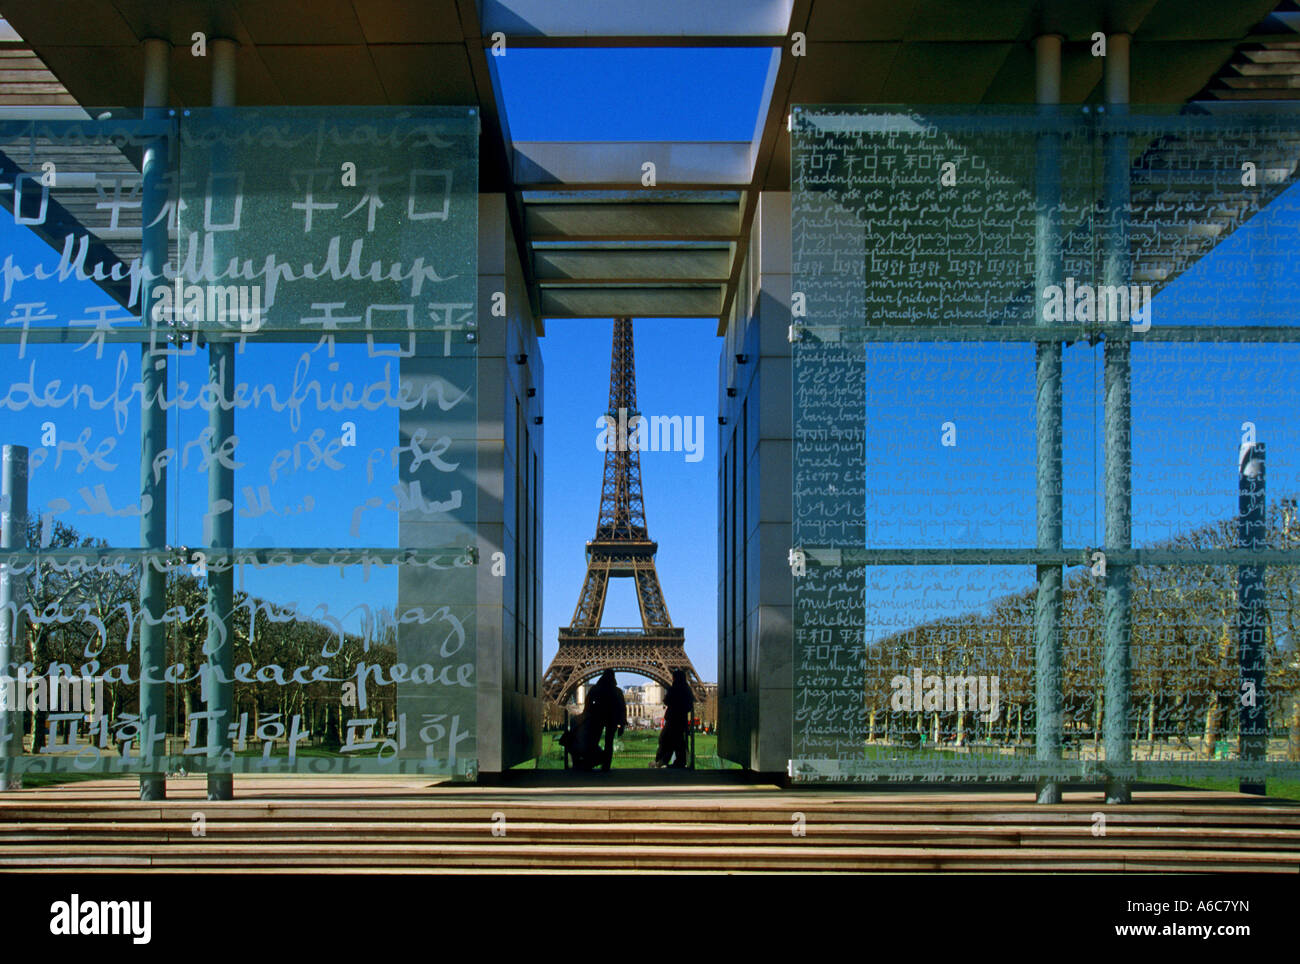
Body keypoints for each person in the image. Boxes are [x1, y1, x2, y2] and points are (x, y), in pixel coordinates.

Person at [585, 671, 626, 771]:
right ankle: (606, 765)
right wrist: (622, 723)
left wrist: (587, 716)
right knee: (609, 743)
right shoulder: (617, 691)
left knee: (593, 741)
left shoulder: (595, 689)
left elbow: (587, 704)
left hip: (597, 717)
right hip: (611, 719)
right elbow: (622, 708)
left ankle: (591, 762)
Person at [653, 669, 694, 769]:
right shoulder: (686, 689)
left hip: (672, 718)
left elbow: (667, 700)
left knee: (665, 739)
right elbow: (689, 705)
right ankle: (678, 761)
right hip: (681, 719)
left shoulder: (674, 688)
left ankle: (661, 760)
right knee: (678, 741)